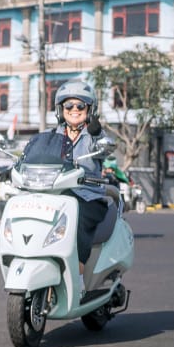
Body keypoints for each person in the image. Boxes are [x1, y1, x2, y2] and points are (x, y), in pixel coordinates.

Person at [43, 79, 111, 277]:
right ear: (60, 109)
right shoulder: (51, 135)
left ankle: (78, 276)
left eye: (80, 105)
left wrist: (97, 132)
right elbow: (34, 156)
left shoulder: (94, 135)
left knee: (76, 218)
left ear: (89, 109)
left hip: (88, 196)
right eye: (68, 105)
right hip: (56, 195)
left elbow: (106, 147)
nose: (74, 109)